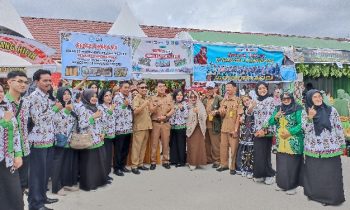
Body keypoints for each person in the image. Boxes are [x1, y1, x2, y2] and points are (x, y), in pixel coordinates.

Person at [302, 89, 346, 206]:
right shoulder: (305, 112)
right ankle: (315, 195)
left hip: (331, 148)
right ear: (309, 99)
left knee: (330, 174)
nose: (318, 99)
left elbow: (338, 128)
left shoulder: (332, 110)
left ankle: (331, 198)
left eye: (319, 96)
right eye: (315, 97)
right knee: (315, 173)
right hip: (313, 149)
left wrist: (342, 144)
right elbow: (304, 130)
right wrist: (310, 117)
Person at [27, 70, 61, 210]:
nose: (48, 83)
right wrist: (55, 109)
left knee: (45, 173)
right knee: (36, 175)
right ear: (36, 81)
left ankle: (42, 197)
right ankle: (35, 204)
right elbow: (38, 119)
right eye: (45, 80)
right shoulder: (34, 97)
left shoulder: (47, 96)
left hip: (48, 140)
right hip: (37, 142)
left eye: (49, 80)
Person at [267, 91, 304, 195]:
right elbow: (270, 122)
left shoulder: (298, 108)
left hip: (293, 142)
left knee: (292, 164)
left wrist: (290, 132)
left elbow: (302, 124)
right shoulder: (278, 108)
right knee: (282, 164)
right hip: (281, 142)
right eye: (284, 99)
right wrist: (276, 116)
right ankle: (282, 184)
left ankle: (292, 186)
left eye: (288, 98)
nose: (286, 100)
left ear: (292, 98)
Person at [76, 89, 108, 191]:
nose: (94, 98)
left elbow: (102, 121)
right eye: (91, 96)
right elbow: (81, 125)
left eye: (95, 96)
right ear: (86, 97)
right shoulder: (82, 108)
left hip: (98, 138)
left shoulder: (97, 107)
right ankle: (89, 184)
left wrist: (103, 132)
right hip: (88, 139)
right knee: (89, 163)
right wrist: (92, 117)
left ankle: (98, 181)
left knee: (98, 162)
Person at [6, 71, 31, 195]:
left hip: (24, 150)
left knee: (21, 185)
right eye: (19, 81)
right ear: (9, 82)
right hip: (7, 153)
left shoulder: (25, 103)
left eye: (25, 82)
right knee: (8, 188)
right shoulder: (3, 103)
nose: (23, 85)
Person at [0, 83, 24, 210]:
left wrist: (18, 155)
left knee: (13, 194)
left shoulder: (6, 107)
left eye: (1, 91)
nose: (0, 94)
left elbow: (15, 133)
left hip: (8, 160)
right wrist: (4, 122)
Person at [51, 87, 78, 196]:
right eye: (64, 94)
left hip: (70, 139)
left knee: (66, 163)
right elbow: (56, 121)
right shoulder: (57, 105)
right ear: (60, 95)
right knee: (58, 164)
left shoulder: (71, 105)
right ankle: (56, 187)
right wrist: (66, 111)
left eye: (68, 94)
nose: (67, 96)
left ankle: (66, 183)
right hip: (60, 139)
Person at [251, 81, 276, 185]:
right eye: (260, 88)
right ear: (257, 90)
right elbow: (250, 113)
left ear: (267, 88)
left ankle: (269, 175)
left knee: (265, 153)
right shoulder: (255, 100)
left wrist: (263, 129)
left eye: (264, 88)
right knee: (258, 153)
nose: (262, 90)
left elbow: (270, 115)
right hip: (257, 131)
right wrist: (252, 106)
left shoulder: (270, 100)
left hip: (266, 131)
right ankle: (259, 174)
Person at [217, 81, 243, 175]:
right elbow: (222, 115)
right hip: (224, 128)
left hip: (233, 129)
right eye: (227, 87)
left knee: (234, 149)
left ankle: (232, 166)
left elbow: (239, 116)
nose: (228, 89)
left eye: (229, 87)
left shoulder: (238, 100)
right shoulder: (224, 100)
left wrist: (236, 130)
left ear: (235, 88)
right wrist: (221, 111)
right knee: (223, 148)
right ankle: (224, 165)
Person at [149, 81, 174, 170]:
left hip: (165, 123)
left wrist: (165, 116)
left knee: (166, 143)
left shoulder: (169, 97)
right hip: (155, 123)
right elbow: (151, 110)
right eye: (160, 86)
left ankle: (165, 161)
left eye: (163, 86)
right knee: (154, 143)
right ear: (156, 88)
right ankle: (153, 162)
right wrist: (156, 106)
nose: (162, 88)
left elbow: (172, 109)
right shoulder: (152, 98)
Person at [130, 82, 153, 174]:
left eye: (145, 87)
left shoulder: (146, 98)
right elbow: (135, 111)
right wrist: (145, 104)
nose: (144, 89)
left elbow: (150, 111)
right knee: (136, 147)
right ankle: (134, 166)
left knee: (143, 147)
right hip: (139, 127)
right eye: (142, 87)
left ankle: (140, 163)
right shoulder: (136, 98)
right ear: (138, 89)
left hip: (146, 126)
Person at [113, 81, 133, 176]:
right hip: (120, 128)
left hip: (128, 127)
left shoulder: (129, 97)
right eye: (125, 87)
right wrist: (124, 105)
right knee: (119, 150)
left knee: (125, 148)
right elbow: (115, 112)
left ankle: (122, 165)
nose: (127, 89)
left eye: (128, 87)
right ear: (120, 88)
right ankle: (116, 168)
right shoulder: (117, 98)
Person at [202, 81, 222, 168]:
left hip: (215, 124)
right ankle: (208, 159)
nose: (209, 90)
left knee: (215, 144)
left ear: (215, 89)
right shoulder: (205, 99)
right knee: (207, 143)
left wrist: (216, 111)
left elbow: (223, 109)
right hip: (205, 124)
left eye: (211, 88)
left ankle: (217, 160)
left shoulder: (219, 98)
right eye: (208, 88)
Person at [186, 90, 207, 170]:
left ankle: (198, 162)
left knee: (199, 146)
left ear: (197, 97)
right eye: (191, 97)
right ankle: (191, 162)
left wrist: (198, 113)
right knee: (191, 146)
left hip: (199, 128)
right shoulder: (188, 106)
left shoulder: (200, 105)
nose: (193, 98)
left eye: (194, 97)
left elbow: (204, 116)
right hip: (190, 129)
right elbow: (185, 116)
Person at [98, 89, 116, 180]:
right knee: (104, 156)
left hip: (111, 134)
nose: (109, 97)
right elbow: (103, 121)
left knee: (109, 155)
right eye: (106, 96)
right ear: (102, 97)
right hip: (104, 135)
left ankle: (107, 174)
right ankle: (103, 175)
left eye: (110, 95)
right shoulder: (100, 107)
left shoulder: (111, 106)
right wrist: (110, 111)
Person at [235, 95, 254, 179]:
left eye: (247, 100)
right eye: (244, 101)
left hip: (252, 133)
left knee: (250, 152)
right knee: (243, 151)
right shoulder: (243, 110)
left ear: (251, 99)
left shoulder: (254, 108)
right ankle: (242, 169)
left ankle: (250, 170)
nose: (246, 102)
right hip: (244, 133)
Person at [169, 89, 189, 167]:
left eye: (181, 95)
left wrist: (182, 109)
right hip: (173, 127)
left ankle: (181, 161)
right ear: (175, 96)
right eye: (177, 95)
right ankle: (174, 160)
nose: (179, 96)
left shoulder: (185, 104)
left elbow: (186, 115)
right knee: (173, 144)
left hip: (181, 127)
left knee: (181, 144)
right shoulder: (173, 104)